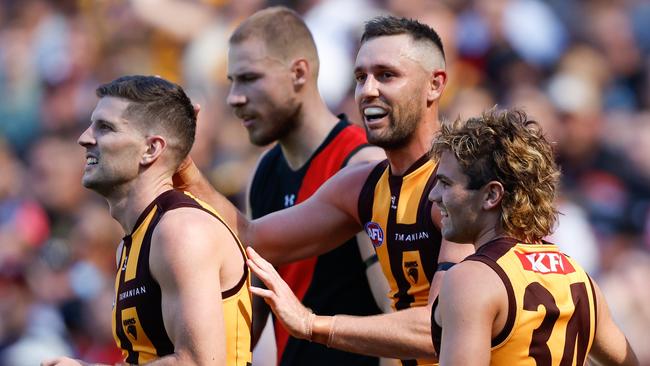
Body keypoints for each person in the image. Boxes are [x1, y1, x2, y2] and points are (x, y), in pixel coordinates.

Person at [175, 16, 474, 366]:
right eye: (360, 77)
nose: (368, 90)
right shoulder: (361, 185)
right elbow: (253, 236)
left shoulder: (463, 185)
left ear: (435, 85)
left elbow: (439, 330)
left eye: (386, 75)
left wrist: (312, 324)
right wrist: (183, 168)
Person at [248, 108, 640, 365]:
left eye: (447, 184)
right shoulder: (576, 276)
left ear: (491, 196)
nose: (433, 195)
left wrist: (310, 323)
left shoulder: (471, 278)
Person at [42, 76, 252, 365]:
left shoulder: (181, 231)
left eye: (105, 127)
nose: (85, 138)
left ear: (151, 149)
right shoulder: (135, 240)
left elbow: (200, 362)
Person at [225, 6, 389, 366]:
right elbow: (246, 327)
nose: (234, 97)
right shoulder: (262, 174)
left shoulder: (361, 165)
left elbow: (394, 317)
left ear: (299, 73)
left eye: (249, 78)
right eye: (231, 82)